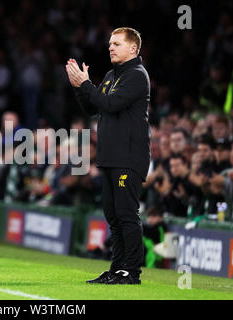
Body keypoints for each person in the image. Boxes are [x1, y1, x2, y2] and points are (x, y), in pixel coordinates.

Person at [66, 27, 150, 285]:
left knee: (126, 214)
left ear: (133, 49)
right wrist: (81, 88)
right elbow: (93, 107)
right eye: (110, 43)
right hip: (111, 156)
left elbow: (111, 104)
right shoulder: (114, 74)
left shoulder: (136, 75)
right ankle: (117, 268)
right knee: (113, 216)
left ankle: (131, 271)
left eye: (116, 44)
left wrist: (87, 85)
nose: (110, 47)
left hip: (128, 157)